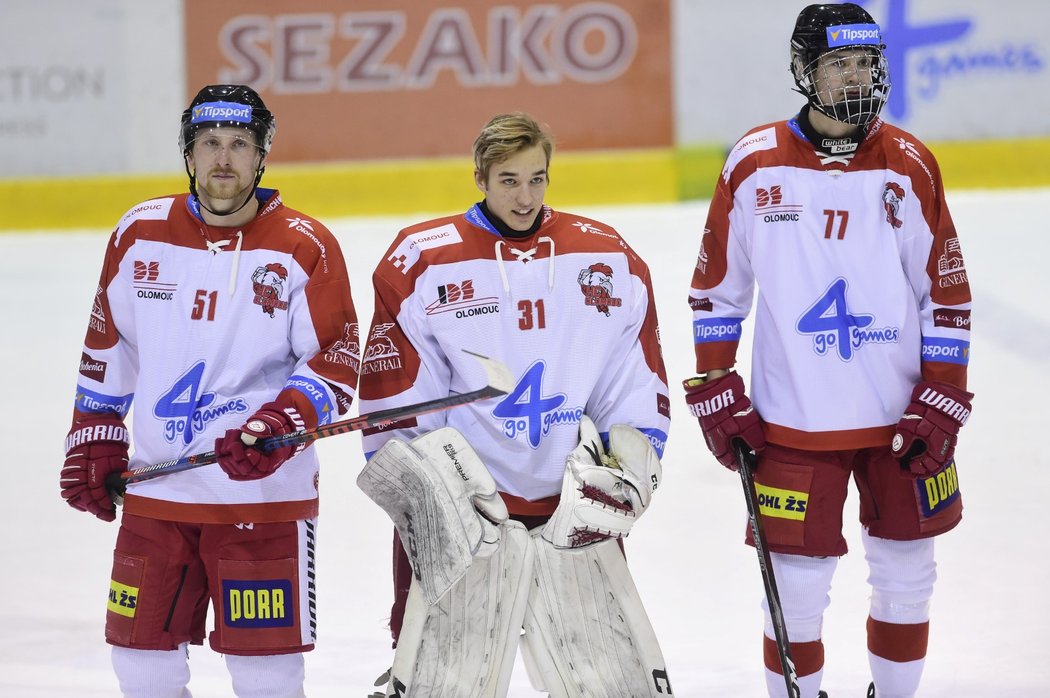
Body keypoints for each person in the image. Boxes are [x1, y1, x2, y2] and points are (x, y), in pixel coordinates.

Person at [683, 4, 974, 697]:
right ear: (803, 70)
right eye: (838, 63)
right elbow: (717, 292)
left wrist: (941, 396)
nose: (855, 77)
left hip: (900, 420)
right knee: (796, 589)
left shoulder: (909, 164)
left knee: (909, 578)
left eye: (865, 62)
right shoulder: (754, 165)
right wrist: (717, 385)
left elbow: (947, 295)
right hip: (793, 419)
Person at [59, 84, 360, 698]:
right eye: (209, 144)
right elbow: (109, 346)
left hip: (262, 495)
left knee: (265, 677)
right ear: (189, 154)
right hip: (157, 487)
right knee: (139, 665)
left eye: (240, 144)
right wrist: (95, 435)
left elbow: (336, 361)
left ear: (262, 155)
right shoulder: (138, 232)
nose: (224, 159)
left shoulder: (306, 245)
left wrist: (285, 423)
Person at [357, 112, 673, 696]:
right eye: (508, 180)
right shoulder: (422, 262)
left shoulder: (606, 258)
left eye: (537, 179)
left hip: (573, 510)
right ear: (480, 177)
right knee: (439, 684)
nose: (525, 197)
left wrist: (632, 465)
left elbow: (632, 378)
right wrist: (425, 496)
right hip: (465, 511)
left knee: (609, 683)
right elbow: (397, 396)